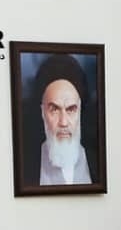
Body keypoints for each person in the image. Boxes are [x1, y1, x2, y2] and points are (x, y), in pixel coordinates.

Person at [22, 53, 97, 187]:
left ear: (80, 111)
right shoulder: (25, 168)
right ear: (42, 112)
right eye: (54, 110)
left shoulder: (98, 163)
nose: (63, 122)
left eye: (71, 109)